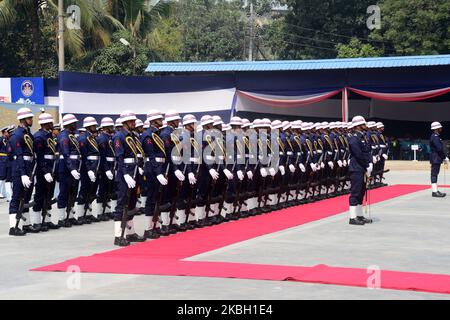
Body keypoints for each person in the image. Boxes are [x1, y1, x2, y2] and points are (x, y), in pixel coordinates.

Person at [113, 110, 146, 246]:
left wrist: (139, 166)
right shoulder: (119, 136)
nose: (134, 123)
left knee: (131, 203)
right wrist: (125, 174)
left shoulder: (133, 136)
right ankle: (117, 236)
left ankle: (130, 233)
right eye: (131, 121)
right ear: (125, 122)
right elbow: (119, 157)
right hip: (125, 174)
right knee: (122, 203)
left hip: (134, 172)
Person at [8, 107, 36, 236]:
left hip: (29, 167)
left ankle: (26, 224)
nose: (31, 119)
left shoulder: (28, 134)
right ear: (23, 119)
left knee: (26, 197)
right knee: (16, 197)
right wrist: (23, 173)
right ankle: (13, 227)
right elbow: (18, 156)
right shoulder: (16, 135)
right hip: (20, 169)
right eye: (29, 118)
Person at [31, 113, 59, 232]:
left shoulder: (49, 136)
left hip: (51, 167)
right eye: (51, 123)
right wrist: (45, 171)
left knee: (49, 194)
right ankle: (37, 222)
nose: (52, 124)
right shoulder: (39, 137)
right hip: (43, 169)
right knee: (40, 194)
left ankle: (46, 220)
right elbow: (40, 156)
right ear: (46, 123)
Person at [347, 115, 373, 225]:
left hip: (362, 167)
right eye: (363, 124)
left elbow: (367, 151)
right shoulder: (354, 138)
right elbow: (358, 154)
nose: (365, 126)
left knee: (362, 192)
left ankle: (360, 215)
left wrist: (370, 163)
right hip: (357, 167)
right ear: (358, 126)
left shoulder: (363, 137)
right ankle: (352, 218)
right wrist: (366, 165)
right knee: (355, 192)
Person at [429, 121, 448, 197]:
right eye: (440, 127)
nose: (441, 128)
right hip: (435, 158)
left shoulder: (436, 136)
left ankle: (435, 190)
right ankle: (434, 191)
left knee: (435, 174)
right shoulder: (435, 137)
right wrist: (444, 157)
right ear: (437, 128)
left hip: (436, 157)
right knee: (434, 174)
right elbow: (439, 149)